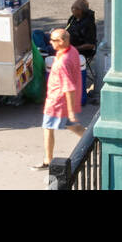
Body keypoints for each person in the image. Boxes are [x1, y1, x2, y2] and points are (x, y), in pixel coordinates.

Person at [39, 28, 85, 168]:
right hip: (62, 101)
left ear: (62, 41)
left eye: (53, 40)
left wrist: (70, 112)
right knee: (74, 127)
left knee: (47, 127)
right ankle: (95, 142)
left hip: (57, 102)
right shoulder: (72, 51)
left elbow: (68, 88)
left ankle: (48, 160)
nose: (50, 42)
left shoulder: (62, 63)